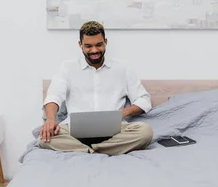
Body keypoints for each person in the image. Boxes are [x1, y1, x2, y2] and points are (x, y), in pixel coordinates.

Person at [39, 21, 153, 155]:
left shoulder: (122, 69)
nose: (94, 50)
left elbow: (144, 99)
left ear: (105, 42)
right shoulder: (67, 68)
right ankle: (98, 150)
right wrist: (51, 120)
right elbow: (54, 96)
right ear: (80, 45)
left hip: (115, 132)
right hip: (75, 132)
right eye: (88, 46)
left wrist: (122, 113)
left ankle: (85, 149)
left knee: (145, 132)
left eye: (99, 45)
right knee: (44, 139)